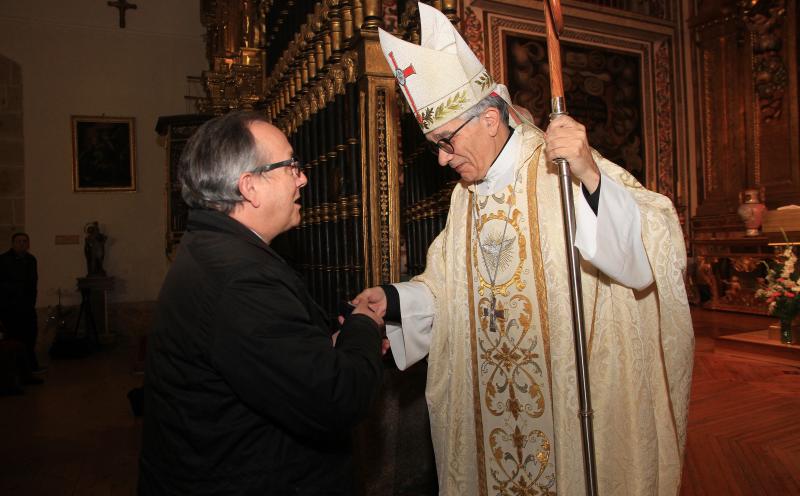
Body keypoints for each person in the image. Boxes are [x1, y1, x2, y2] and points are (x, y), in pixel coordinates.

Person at [355, 4, 694, 495]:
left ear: (491, 119)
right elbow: (451, 288)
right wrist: (397, 299)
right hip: (493, 413)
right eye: (435, 147)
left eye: (446, 142)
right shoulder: (465, 198)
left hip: (565, 409)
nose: (445, 159)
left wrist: (590, 175)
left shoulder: (558, 169)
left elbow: (655, 237)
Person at [138, 111, 385, 495]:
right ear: (249, 186)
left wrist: (323, 348)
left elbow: (266, 364)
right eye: (290, 165)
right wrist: (363, 326)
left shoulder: (214, 249)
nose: (302, 178)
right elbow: (338, 399)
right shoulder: (241, 279)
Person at [0, 232, 43, 382]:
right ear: (13, 243)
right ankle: (15, 371)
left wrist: (31, 301)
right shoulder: (3, 260)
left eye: (25, 241)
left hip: (27, 306)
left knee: (30, 335)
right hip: (10, 308)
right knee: (14, 338)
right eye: (19, 241)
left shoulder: (31, 260)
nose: (22, 244)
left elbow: (33, 283)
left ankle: (29, 368)